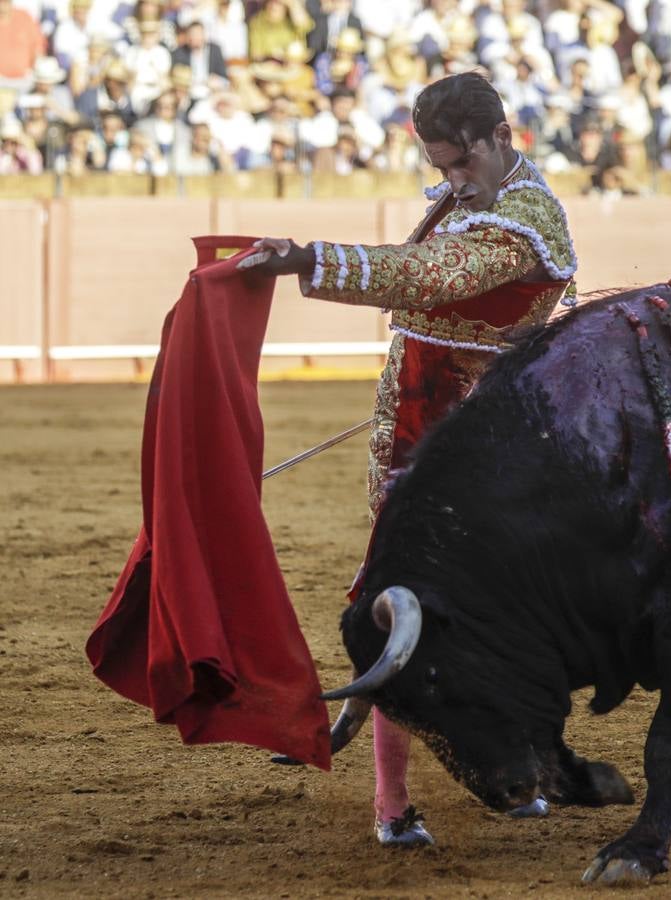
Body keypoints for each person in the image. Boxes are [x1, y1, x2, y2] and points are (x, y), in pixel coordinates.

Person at [235, 72, 576, 848]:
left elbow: (427, 276)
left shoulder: (525, 218)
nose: (452, 180)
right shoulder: (475, 198)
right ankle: (393, 804)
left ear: (500, 138)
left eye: (461, 163)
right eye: (441, 165)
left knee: (492, 609)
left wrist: (307, 259)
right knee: (406, 604)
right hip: (421, 427)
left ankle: (514, 769)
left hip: (478, 443)